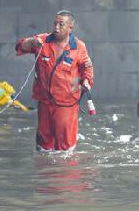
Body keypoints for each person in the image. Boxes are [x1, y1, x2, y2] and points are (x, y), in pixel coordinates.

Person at [16, 10, 94, 151]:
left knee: (65, 147)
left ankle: (65, 171)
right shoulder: (42, 40)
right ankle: (45, 170)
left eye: (61, 24)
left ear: (70, 28)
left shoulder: (79, 47)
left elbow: (87, 67)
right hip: (45, 102)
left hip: (67, 103)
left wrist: (86, 80)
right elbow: (20, 47)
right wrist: (31, 42)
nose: (56, 27)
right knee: (43, 144)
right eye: (55, 23)